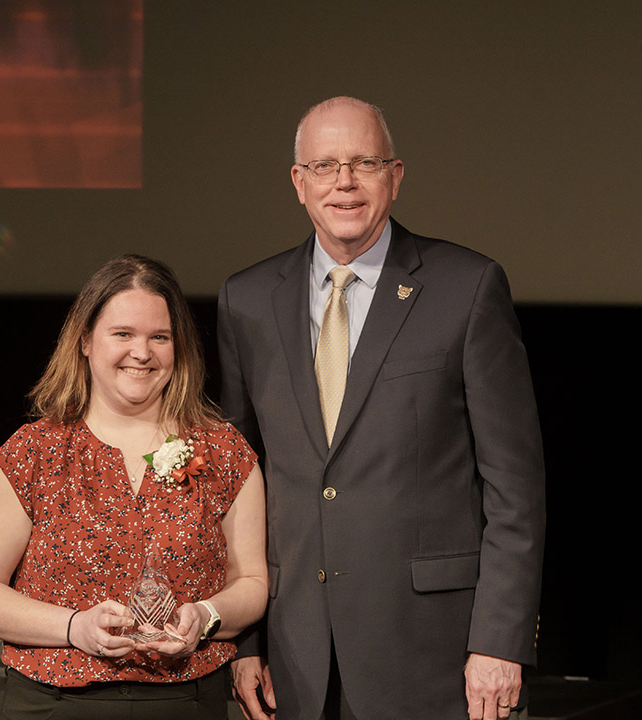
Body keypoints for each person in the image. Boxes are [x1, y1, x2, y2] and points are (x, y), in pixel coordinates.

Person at [218, 97, 546, 720]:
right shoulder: (248, 299)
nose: (344, 181)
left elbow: (515, 486)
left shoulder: (467, 287)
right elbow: (240, 485)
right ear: (299, 183)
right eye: (325, 165)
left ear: (395, 177)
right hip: (293, 654)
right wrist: (244, 639)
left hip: (435, 655)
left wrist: (499, 642)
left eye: (364, 162)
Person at [0, 254, 268, 719]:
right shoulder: (36, 452)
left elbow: (254, 583)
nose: (142, 353)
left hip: (185, 703)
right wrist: (75, 627)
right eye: (123, 334)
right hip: (54, 705)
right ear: (84, 341)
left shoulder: (222, 450)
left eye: (159, 337)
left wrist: (204, 617)